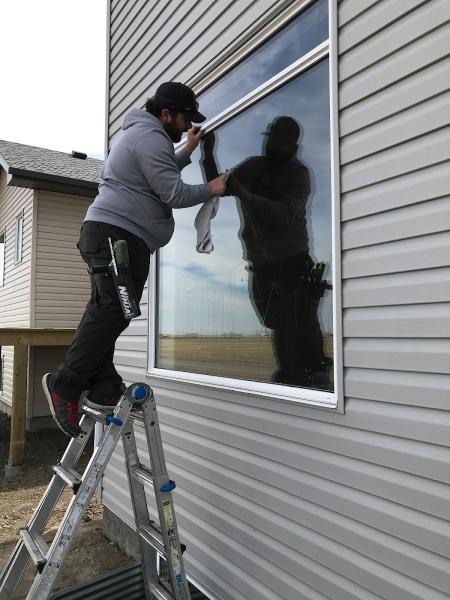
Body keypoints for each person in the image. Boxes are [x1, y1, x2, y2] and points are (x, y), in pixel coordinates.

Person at [43, 82, 227, 437]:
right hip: (118, 235)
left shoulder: (145, 135)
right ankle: (65, 385)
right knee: (111, 310)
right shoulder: (151, 137)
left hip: (109, 232)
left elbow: (156, 172)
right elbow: (172, 191)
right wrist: (212, 188)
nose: (187, 125)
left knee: (109, 309)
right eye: (185, 118)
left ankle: (104, 388)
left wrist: (187, 150)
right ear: (165, 114)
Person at [203, 116, 330, 387]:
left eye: (280, 140)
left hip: (294, 262)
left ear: (293, 147)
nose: (272, 143)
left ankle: (314, 374)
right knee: (277, 322)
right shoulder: (252, 166)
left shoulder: (299, 174)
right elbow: (219, 186)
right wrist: (207, 153)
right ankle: (291, 376)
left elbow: (285, 214)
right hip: (261, 264)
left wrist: (246, 195)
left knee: (301, 321)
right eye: (271, 137)